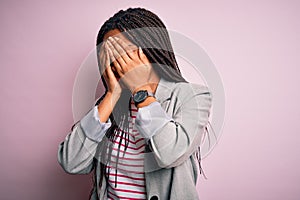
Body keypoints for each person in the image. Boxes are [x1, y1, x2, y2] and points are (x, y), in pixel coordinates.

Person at [57, 7, 213, 200]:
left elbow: (170, 154)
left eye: (124, 52)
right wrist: (111, 95)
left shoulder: (193, 96)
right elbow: (71, 162)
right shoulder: (109, 105)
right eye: (109, 55)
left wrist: (141, 90)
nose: (118, 62)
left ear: (149, 48)